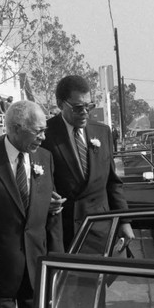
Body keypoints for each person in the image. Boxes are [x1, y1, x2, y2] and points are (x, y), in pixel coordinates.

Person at [0, 100, 64, 308]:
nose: (44, 137)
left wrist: (57, 260)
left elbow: (52, 214)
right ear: (17, 128)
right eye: (38, 131)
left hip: (37, 268)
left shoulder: (45, 157)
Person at [41, 75, 135, 250]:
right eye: (78, 107)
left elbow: (112, 182)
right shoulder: (45, 135)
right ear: (61, 104)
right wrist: (45, 200)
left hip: (99, 229)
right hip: (62, 233)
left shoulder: (102, 132)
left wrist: (124, 221)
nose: (85, 112)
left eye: (89, 106)